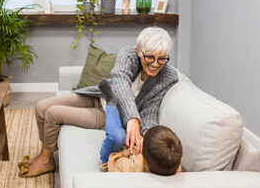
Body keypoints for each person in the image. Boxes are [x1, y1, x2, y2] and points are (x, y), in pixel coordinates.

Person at [19, 27, 178, 178]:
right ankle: (43, 153)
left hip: (109, 113)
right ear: (139, 51)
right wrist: (133, 118)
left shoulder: (167, 77)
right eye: (150, 57)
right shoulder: (128, 54)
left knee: (52, 114)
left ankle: (46, 160)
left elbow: (151, 106)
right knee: (41, 107)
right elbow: (120, 80)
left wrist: (147, 132)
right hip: (99, 95)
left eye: (162, 58)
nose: (155, 64)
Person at [98, 79, 182, 175]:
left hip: (113, 158)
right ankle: (125, 113)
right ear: (181, 159)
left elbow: (113, 159)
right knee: (128, 121)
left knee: (117, 137)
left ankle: (111, 102)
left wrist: (130, 148)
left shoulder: (128, 167)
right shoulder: (173, 163)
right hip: (143, 153)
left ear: (145, 160)